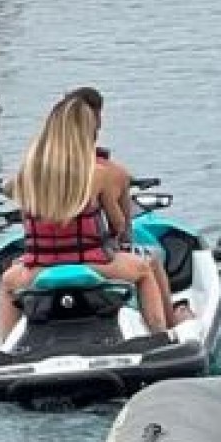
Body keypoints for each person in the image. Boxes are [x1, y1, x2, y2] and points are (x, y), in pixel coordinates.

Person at [0, 94, 170, 344]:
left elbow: (14, 198)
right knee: (143, 270)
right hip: (92, 263)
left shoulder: (25, 178)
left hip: (39, 267)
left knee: (6, 284)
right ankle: (160, 336)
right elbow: (119, 224)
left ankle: (6, 347)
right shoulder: (98, 175)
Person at [62, 86, 187, 327]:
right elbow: (121, 229)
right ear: (95, 122)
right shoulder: (109, 173)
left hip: (44, 262)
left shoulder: (35, 175)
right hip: (96, 260)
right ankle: (168, 329)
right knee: (150, 263)